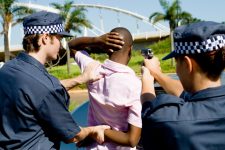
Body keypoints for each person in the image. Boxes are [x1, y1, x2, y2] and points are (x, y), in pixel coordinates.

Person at [0, 11, 123, 150]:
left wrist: (81, 79)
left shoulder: (8, 69)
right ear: (45, 38)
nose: (61, 45)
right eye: (59, 38)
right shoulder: (45, 87)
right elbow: (74, 135)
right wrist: (94, 130)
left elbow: (37, 93)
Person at [141, 21, 225, 150]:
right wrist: (157, 74)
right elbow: (193, 94)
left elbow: (149, 110)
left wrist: (147, 78)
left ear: (187, 64)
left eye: (177, 63)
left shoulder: (167, 118)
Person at [67, 27, 142, 149]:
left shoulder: (92, 69)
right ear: (130, 49)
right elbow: (132, 139)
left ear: (107, 47)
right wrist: (96, 132)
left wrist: (96, 40)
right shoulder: (133, 84)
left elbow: (71, 46)